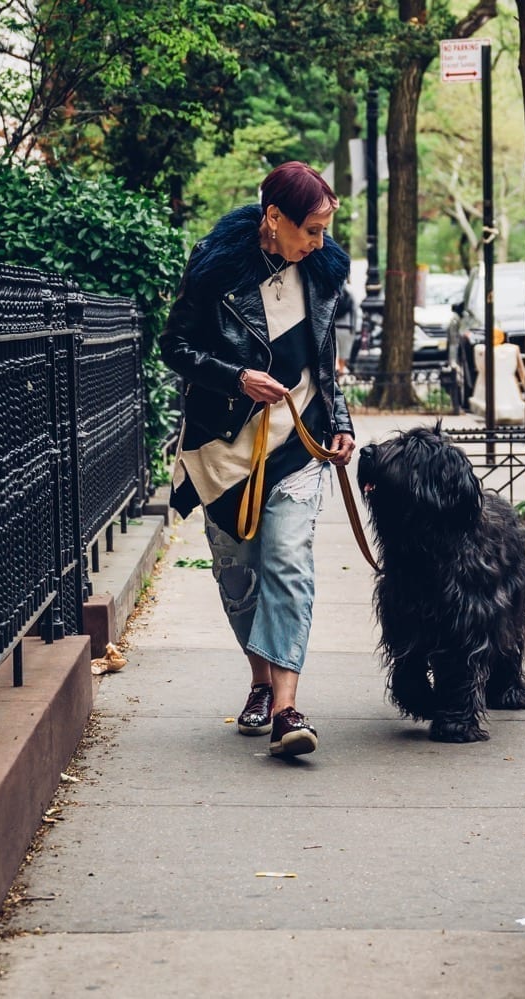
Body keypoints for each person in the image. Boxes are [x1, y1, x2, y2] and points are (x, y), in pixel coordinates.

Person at [160, 161, 356, 759]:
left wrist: (341, 424)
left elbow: (325, 367)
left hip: (299, 444)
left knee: (289, 562)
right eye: (312, 230)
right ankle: (260, 679)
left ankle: (286, 707)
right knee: (239, 577)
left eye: (325, 231)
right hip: (224, 449)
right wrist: (235, 377)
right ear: (274, 218)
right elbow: (174, 348)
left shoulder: (320, 272)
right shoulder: (217, 265)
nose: (320, 243)